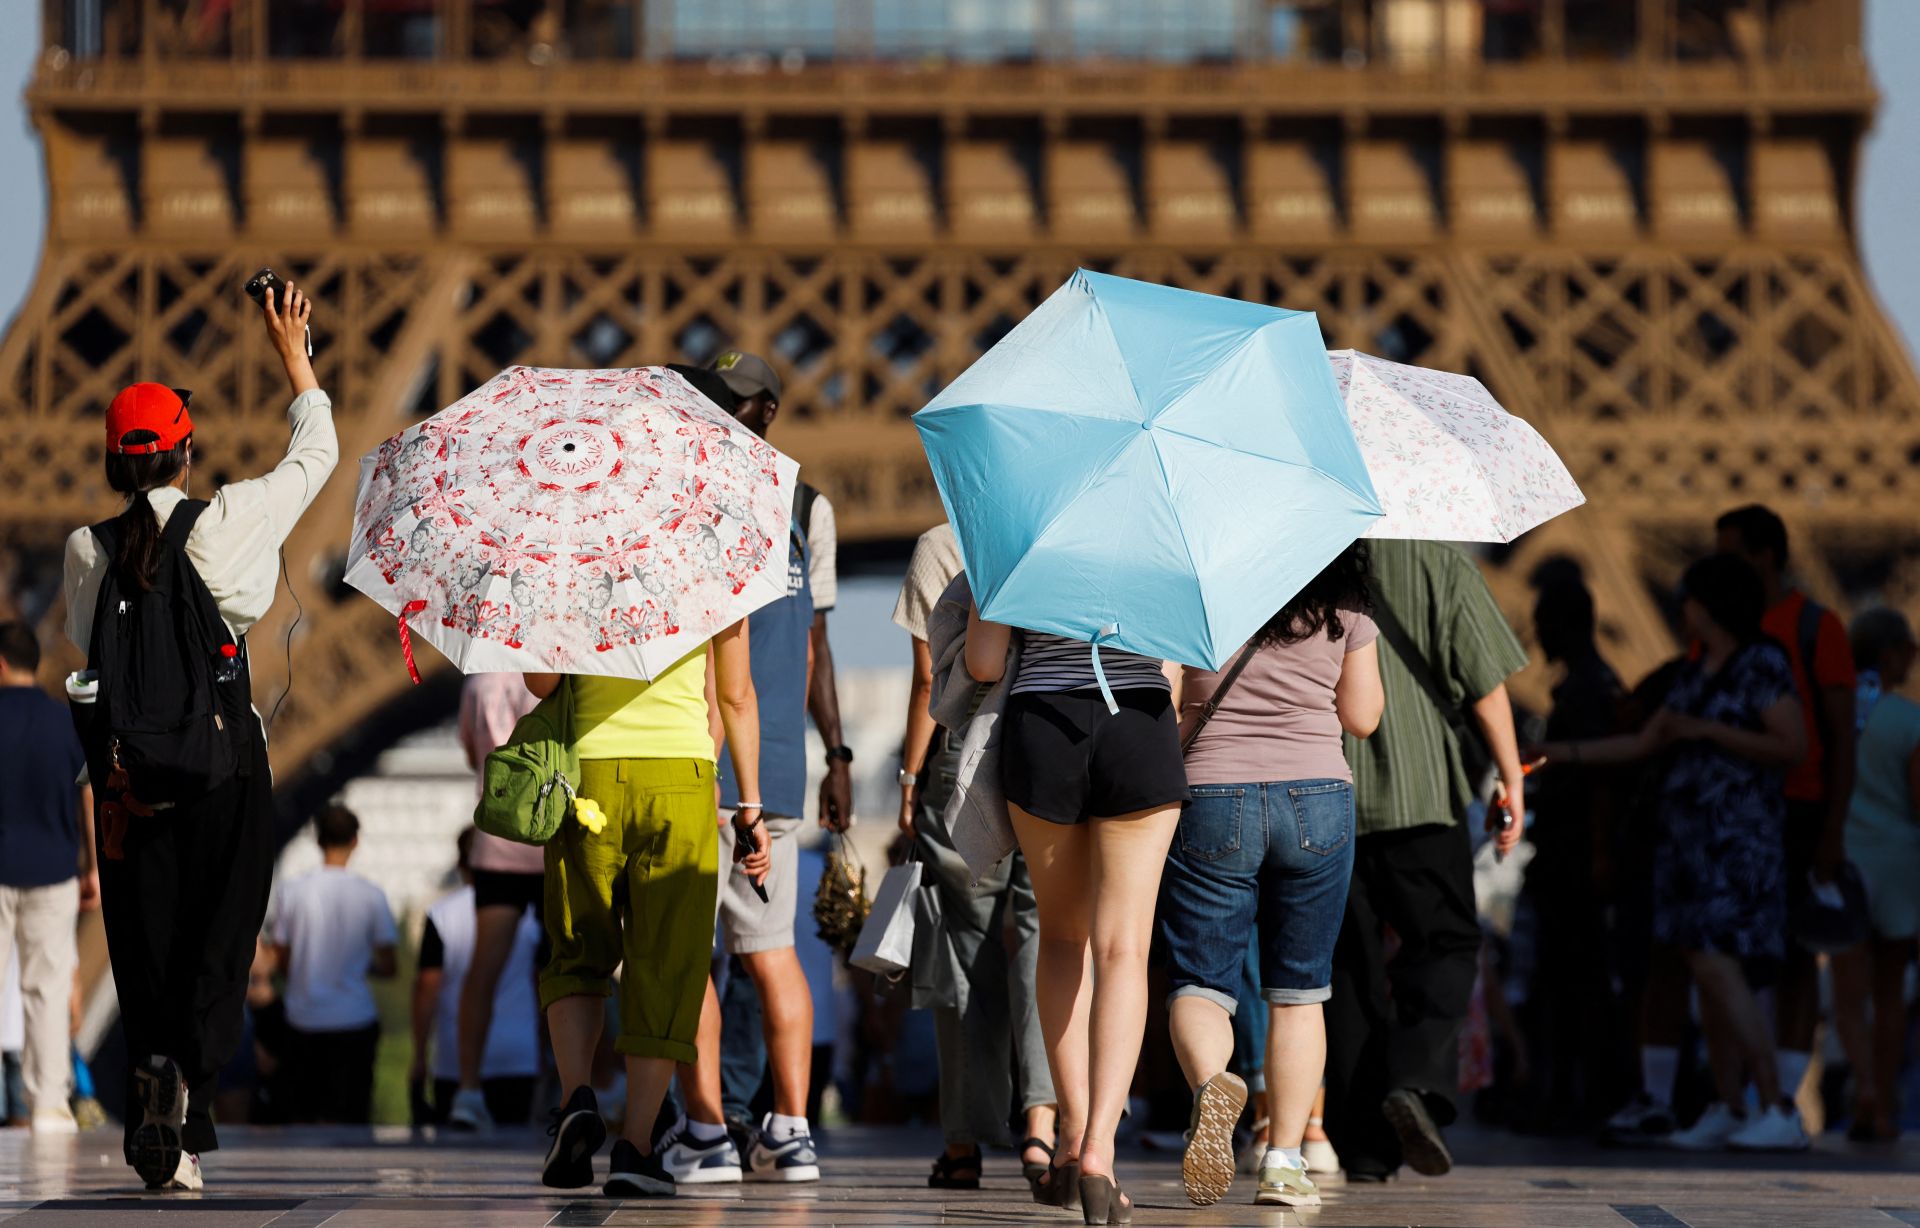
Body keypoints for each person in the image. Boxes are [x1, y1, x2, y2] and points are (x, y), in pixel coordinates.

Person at [63, 282, 332, 1191]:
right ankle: (192, 1085)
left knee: (143, 942)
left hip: (131, 778)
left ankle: (153, 1081)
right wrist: (293, 351)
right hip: (224, 766)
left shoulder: (85, 552)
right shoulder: (228, 522)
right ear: (187, 454)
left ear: (112, 464)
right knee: (221, 940)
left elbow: (86, 653)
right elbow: (319, 449)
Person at [1534, 553, 1807, 1151]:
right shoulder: (1697, 671)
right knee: (1700, 968)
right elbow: (1640, 743)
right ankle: (1732, 1105)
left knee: (1714, 962)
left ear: (1707, 606)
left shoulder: (1760, 663)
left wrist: (1707, 732)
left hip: (1735, 844)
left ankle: (1780, 1106)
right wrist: (1557, 754)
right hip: (1689, 845)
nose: (1681, 609)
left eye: (1687, 600)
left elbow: (1792, 744)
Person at [659, 352, 847, 1186]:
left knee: (700, 958)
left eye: (732, 403)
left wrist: (837, 753)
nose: (718, 414)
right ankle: (790, 1131)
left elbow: (777, 655)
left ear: (768, 409)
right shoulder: (808, 508)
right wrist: (825, 753)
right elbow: (814, 646)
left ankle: (707, 1131)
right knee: (771, 953)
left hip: (713, 761)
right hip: (767, 765)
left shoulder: (691, 501)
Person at [1160, 544, 1383, 1209]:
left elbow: (1165, 702)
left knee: (1201, 980)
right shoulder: (1347, 602)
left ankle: (1212, 1087)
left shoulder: (1197, 587)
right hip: (1317, 795)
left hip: (1212, 795)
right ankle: (1285, 1162)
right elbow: (1364, 717)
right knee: (1300, 989)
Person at [525, 606, 766, 1199]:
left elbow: (540, 683)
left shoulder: (566, 560)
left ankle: (577, 1094)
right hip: (681, 777)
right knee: (667, 966)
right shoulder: (714, 566)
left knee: (577, 951)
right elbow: (733, 698)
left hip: (587, 777)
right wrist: (751, 805)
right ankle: (634, 1146)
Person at [964, 604, 1189, 1225]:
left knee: (1062, 940)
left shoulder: (1026, 526)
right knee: (1123, 950)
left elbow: (983, 661)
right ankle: (1099, 1155)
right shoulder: (1160, 529)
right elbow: (1182, 660)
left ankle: (1070, 1134)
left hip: (1044, 725)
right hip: (1139, 716)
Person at [1323, 539, 1529, 1182]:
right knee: (1443, 941)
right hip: (1423, 792)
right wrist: (1510, 776)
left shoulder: (1309, 549)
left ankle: (1360, 1146)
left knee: (1346, 968)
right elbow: (1483, 679)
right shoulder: (1438, 559)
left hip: (1325, 785)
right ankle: (1413, 1079)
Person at [892, 522, 1057, 1191]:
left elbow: (929, 681)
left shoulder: (940, 543)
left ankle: (963, 1143)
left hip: (964, 751)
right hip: (1053, 743)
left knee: (964, 950)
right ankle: (1044, 1131)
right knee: (1054, 940)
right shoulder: (1061, 526)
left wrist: (909, 780)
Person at [1715, 504, 1855, 1122]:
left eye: (1730, 553)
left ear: (1765, 555)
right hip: (1743, 810)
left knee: (1795, 954)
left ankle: (1784, 1099)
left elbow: (1841, 735)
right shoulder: (1725, 628)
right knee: (1737, 954)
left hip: (1795, 808)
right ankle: (1746, 1098)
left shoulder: (1815, 628)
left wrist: (1832, 828)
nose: (1719, 565)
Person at [1516, 573, 1631, 1131]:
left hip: (1576, 855)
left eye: (1542, 625)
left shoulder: (1586, 690)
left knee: (1568, 980)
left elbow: (1602, 779)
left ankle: (1567, 1096)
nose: (1535, 636)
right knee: (1573, 980)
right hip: (1577, 851)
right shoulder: (1593, 683)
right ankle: (1573, 1094)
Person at [1829, 609, 1920, 1141]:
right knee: (1891, 994)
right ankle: (1882, 1102)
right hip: (1899, 863)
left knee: (1847, 993)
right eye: (1909, 650)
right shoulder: (1909, 721)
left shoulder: (1835, 711)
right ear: (1889, 655)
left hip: (1842, 857)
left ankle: (1862, 1087)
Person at [0, 621, 93, 1135]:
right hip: (55, 870)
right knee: (48, 989)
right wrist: (94, 868)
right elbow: (88, 794)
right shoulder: (66, 724)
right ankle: (50, 1105)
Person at [443, 672, 542, 1132]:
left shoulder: (478, 679)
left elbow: (471, 756)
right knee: (575, 966)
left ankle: (467, 1088)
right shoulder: (550, 671)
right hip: (548, 835)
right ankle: (595, 1081)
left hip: (496, 837)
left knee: (483, 969)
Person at [271, 804, 399, 1125]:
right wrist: (362, 966)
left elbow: (282, 957)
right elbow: (389, 964)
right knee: (352, 1115)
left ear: (318, 841)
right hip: (355, 1018)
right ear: (355, 841)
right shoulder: (372, 895)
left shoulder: (291, 891)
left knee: (301, 1116)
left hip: (303, 1017)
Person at [414, 829, 542, 1127]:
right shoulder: (530, 914)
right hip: (518, 1054)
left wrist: (420, 1054)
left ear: (463, 865)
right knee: (516, 1155)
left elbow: (426, 988)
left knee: (454, 1155)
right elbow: (541, 983)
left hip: (454, 1060)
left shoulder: (440, 914)